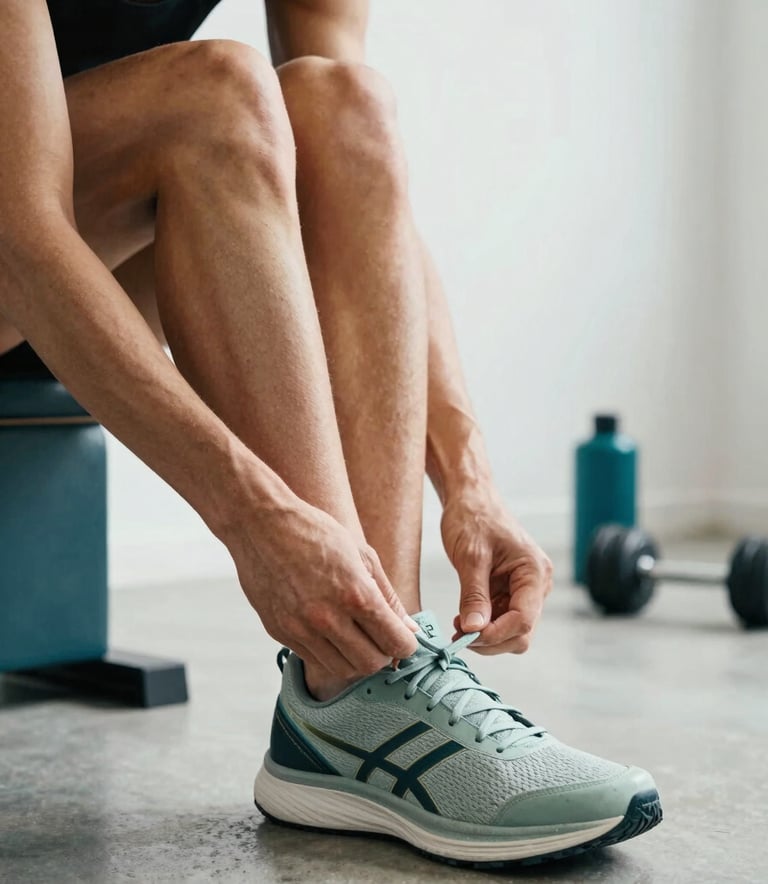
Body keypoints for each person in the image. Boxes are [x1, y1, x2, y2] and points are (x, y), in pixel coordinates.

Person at [0, 0, 661, 867]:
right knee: (215, 93)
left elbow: (356, 176)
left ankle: (365, 682)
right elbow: (22, 229)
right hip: (22, 236)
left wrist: (468, 477)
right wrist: (252, 517)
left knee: (342, 100)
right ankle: (364, 688)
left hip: (72, 241)